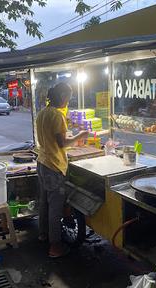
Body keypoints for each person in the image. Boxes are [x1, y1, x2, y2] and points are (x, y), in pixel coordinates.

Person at [36, 83, 88, 258]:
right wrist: (81, 135)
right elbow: (62, 143)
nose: (69, 100)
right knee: (55, 208)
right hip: (54, 166)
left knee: (44, 203)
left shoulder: (43, 112)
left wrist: (71, 136)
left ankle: (43, 234)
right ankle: (55, 246)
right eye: (69, 96)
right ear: (63, 96)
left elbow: (52, 139)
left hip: (42, 162)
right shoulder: (57, 115)